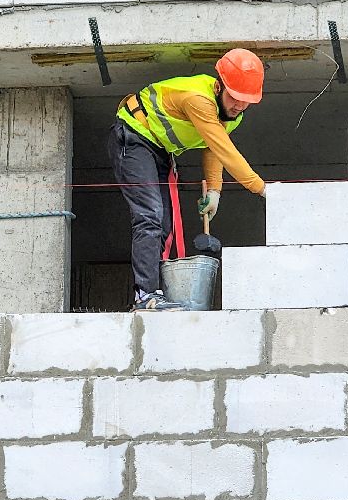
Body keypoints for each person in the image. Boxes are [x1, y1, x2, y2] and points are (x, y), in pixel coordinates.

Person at [106, 48, 267, 312]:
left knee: (165, 224)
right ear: (219, 87)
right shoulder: (199, 99)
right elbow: (225, 149)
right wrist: (261, 188)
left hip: (159, 149)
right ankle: (145, 296)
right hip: (133, 137)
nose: (239, 105)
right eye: (235, 97)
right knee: (150, 216)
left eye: (246, 100)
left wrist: (215, 190)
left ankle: (161, 295)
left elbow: (213, 147)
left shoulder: (231, 114)